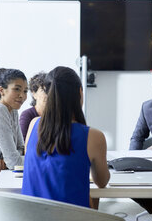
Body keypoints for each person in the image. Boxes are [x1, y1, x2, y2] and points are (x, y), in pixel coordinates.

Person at [21, 66, 110, 208]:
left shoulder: (33, 125)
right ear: (80, 92)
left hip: (30, 215)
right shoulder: (94, 137)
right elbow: (102, 182)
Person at [19, 72, 47, 140]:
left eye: (50, 90)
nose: (48, 94)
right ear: (34, 94)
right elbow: (23, 142)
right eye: (43, 90)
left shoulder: (57, 114)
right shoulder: (27, 115)